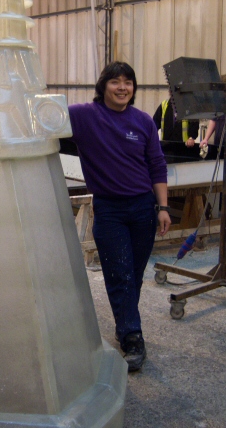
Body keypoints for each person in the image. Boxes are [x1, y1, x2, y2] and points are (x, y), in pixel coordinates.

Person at [64, 61, 171, 372]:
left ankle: (126, 324)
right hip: (109, 209)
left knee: (134, 275)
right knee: (119, 274)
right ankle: (133, 337)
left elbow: (157, 165)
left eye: (128, 82)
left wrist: (163, 207)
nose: (122, 87)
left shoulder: (142, 122)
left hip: (143, 208)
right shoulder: (84, 115)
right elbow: (45, 116)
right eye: (115, 82)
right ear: (103, 86)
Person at [152, 97, 198, 163]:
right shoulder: (164, 105)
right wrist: (152, 138)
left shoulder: (189, 105)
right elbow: (154, 124)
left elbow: (194, 123)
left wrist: (191, 138)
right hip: (167, 148)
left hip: (183, 149)